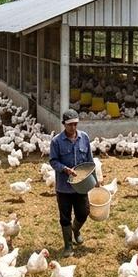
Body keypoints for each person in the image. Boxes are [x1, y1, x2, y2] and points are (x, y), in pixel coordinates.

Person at [49, 109, 96, 257]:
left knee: (83, 212)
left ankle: (76, 229)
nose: (73, 127)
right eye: (70, 125)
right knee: (65, 217)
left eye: (75, 124)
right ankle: (68, 245)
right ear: (64, 125)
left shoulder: (84, 138)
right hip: (64, 187)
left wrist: (95, 178)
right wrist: (64, 169)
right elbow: (53, 161)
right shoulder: (56, 141)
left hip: (81, 184)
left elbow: (89, 160)